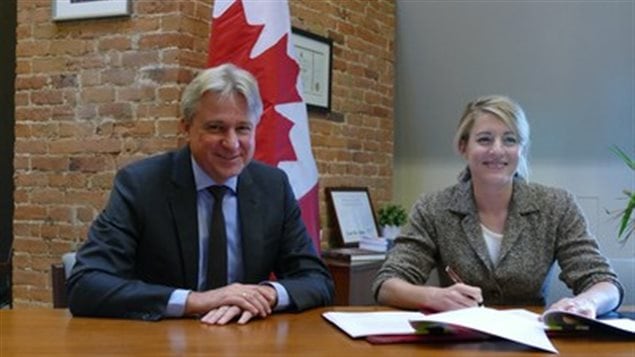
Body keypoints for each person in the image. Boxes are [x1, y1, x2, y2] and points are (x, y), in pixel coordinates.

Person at [67, 63, 334, 324]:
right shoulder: (142, 185)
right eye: (216, 128)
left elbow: (316, 280)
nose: (231, 144)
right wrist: (196, 301)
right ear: (186, 127)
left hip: (246, 341)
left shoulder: (273, 186)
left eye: (242, 128)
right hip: (159, 343)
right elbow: (86, 284)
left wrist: (265, 294)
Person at [372, 95, 623, 318]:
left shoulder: (556, 205)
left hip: (531, 342)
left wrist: (586, 302)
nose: (497, 150)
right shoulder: (433, 208)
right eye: (484, 139)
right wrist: (433, 297)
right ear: (463, 147)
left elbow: (604, 281)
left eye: (510, 140)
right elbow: (387, 284)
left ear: (521, 149)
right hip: (457, 343)